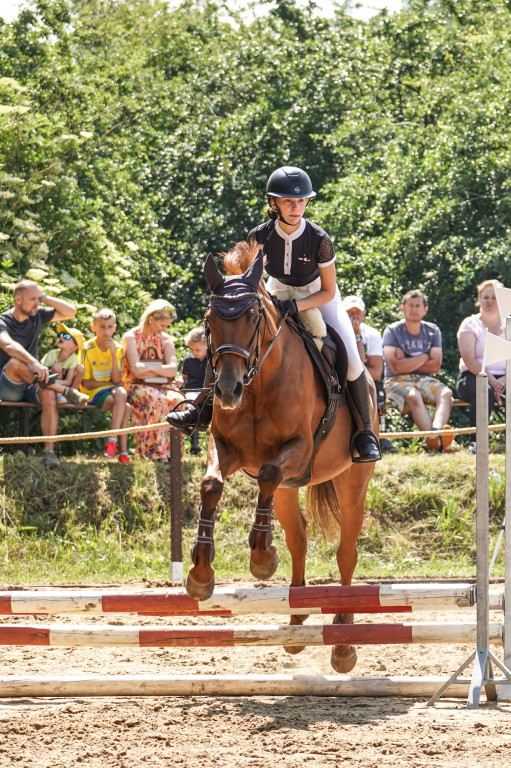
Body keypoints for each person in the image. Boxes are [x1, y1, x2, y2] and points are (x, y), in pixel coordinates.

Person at [167, 165, 381, 462]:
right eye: (288, 202)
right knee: (231, 336)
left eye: (301, 201)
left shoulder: (320, 238)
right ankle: (202, 408)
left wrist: (296, 306)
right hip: (275, 290)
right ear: (274, 203)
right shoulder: (260, 235)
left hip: (316, 296)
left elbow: (329, 292)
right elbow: (246, 281)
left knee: (352, 358)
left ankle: (365, 433)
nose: (296, 208)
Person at [0, 280, 77, 468]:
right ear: (18, 299)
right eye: (33, 299)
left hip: (35, 383)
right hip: (8, 384)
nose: (38, 303)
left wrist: (45, 297)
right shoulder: (3, 321)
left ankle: (49, 453)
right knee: (17, 362)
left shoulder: (37, 315)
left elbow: (71, 312)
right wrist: (34, 362)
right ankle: (60, 388)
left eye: (39, 298)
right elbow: (8, 346)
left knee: (49, 394)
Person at [382, 289, 454, 451]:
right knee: (413, 396)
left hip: (424, 380)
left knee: (446, 393)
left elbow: (435, 366)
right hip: (396, 381)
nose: (414, 309)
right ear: (403, 308)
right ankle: (436, 439)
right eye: (410, 305)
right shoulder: (392, 331)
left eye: (417, 306)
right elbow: (396, 367)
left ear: (425, 309)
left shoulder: (432, 330)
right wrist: (424, 356)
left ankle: (434, 434)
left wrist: (407, 359)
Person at [122, 300, 184, 463]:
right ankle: (152, 451)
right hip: (135, 386)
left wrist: (149, 367)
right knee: (155, 400)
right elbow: (136, 370)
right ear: (151, 319)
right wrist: (160, 366)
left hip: (162, 385)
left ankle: (173, 452)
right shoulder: (131, 337)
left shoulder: (165, 339)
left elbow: (172, 370)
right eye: (162, 325)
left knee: (178, 400)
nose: (165, 329)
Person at [342, 295, 397, 454]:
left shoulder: (371, 334)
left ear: (364, 314)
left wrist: (357, 336)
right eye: (350, 312)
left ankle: (378, 436)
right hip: (340, 377)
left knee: (377, 392)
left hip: (366, 379)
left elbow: (375, 372)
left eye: (357, 312)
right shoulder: (336, 330)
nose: (354, 316)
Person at [456, 279, 506, 454]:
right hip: (472, 376)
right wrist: (492, 381)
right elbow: (469, 359)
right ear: (479, 299)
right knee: (485, 391)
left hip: (506, 376)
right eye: (486, 297)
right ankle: (477, 443)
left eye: (494, 297)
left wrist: (506, 380)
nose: (490, 301)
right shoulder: (470, 324)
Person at [79, 308, 132, 463]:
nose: (106, 331)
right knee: (125, 407)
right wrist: (107, 383)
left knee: (122, 395)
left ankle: (112, 443)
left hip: (112, 390)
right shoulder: (87, 348)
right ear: (93, 328)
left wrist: (113, 356)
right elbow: (86, 383)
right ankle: (122, 451)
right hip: (92, 393)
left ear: (115, 328)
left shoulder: (118, 348)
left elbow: (117, 381)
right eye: (102, 327)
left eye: (110, 327)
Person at [41, 323, 88, 406]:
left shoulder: (73, 357)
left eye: (66, 336)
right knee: (56, 367)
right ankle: (59, 394)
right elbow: (43, 376)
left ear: (74, 347)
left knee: (80, 368)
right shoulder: (52, 354)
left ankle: (73, 394)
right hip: (47, 381)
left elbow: (68, 381)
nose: (61, 337)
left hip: (60, 383)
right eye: (61, 334)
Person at [180, 327, 208, 455]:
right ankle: (194, 443)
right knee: (191, 405)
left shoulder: (211, 360)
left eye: (197, 350)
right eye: (191, 349)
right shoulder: (188, 361)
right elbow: (184, 378)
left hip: (207, 390)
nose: (194, 352)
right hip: (193, 390)